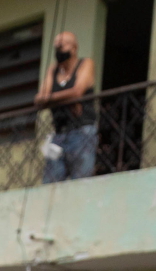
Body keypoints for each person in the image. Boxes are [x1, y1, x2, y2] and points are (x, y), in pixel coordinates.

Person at [34, 31, 97, 184]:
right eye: (56, 46)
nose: (58, 49)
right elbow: (39, 99)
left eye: (62, 45)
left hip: (82, 131)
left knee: (80, 183)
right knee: (50, 184)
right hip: (59, 134)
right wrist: (67, 100)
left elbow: (77, 92)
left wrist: (51, 99)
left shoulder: (85, 64)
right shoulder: (53, 70)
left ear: (74, 48)